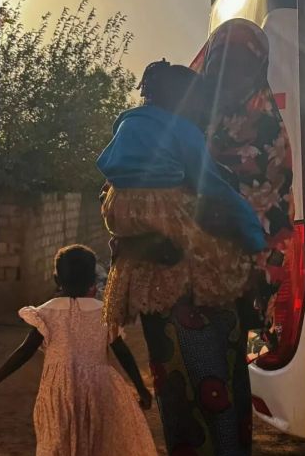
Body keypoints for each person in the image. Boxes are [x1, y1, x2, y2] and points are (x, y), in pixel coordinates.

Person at [99, 61, 275, 456]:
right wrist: (254, 238)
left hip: (164, 294)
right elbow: (215, 193)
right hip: (201, 285)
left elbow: (120, 219)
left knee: (187, 413)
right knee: (217, 413)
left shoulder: (126, 140)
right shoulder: (185, 140)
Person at [0, 243, 163, 456]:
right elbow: (122, 352)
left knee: (50, 444)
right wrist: (141, 388)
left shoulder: (47, 312)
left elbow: (25, 351)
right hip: (97, 388)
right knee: (88, 452)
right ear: (92, 280)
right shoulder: (102, 312)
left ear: (56, 278)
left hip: (58, 389)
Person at [97, 60, 266, 330]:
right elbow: (210, 183)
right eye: (198, 102)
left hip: (117, 208)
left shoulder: (127, 122)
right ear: (183, 100)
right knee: (221, 249)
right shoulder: (181, 128)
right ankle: (247, 312)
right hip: (162, 207)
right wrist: (252, 232)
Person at [191, 18, 295, 342]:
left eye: (240, 65)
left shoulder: (268, 131)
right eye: (220, 64)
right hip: (185, 276)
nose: (228, 75)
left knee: (231, 357)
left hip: (244, 279)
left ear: (257, 69)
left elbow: (274, 212)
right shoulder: (188, 118)